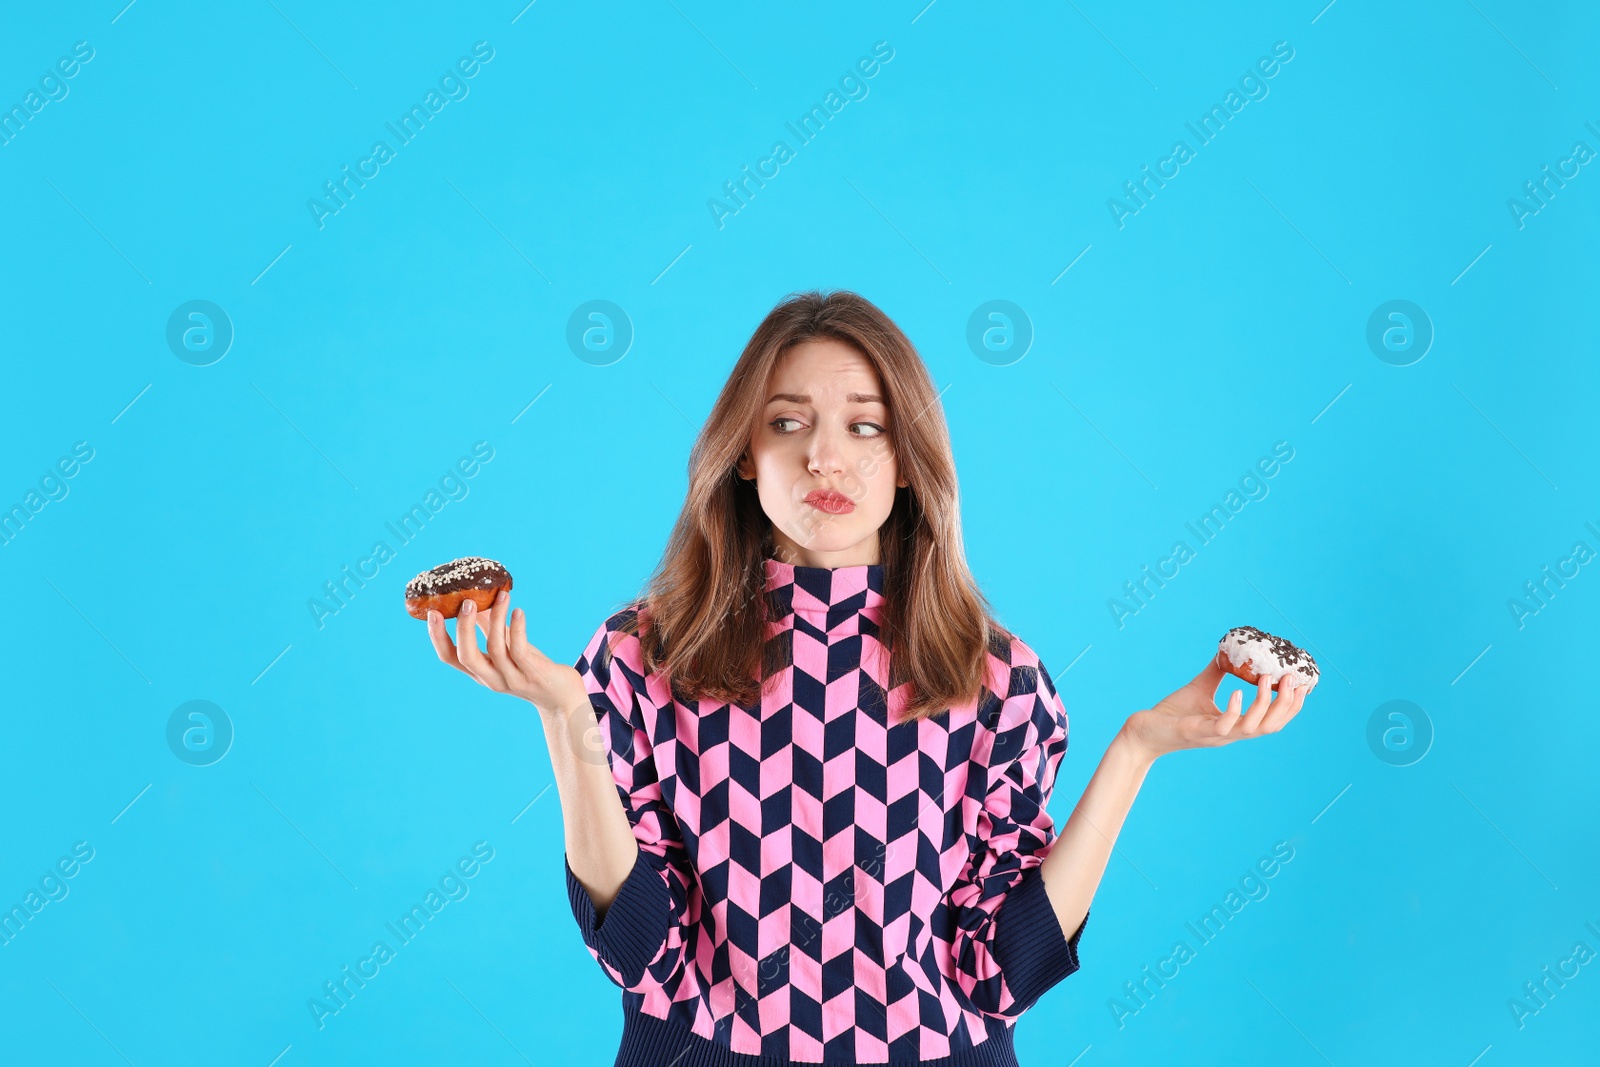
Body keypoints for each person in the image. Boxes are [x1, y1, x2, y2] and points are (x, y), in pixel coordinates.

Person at [424, 290, 1310, 1066]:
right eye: (787, 421)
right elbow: (642, 951)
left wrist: (1139, 747)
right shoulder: (640, 654)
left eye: (866, 424)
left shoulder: (998, 675)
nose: (826, 458)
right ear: (741, 451)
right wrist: (564, 714)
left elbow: (1000, 969)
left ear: (909, 453)